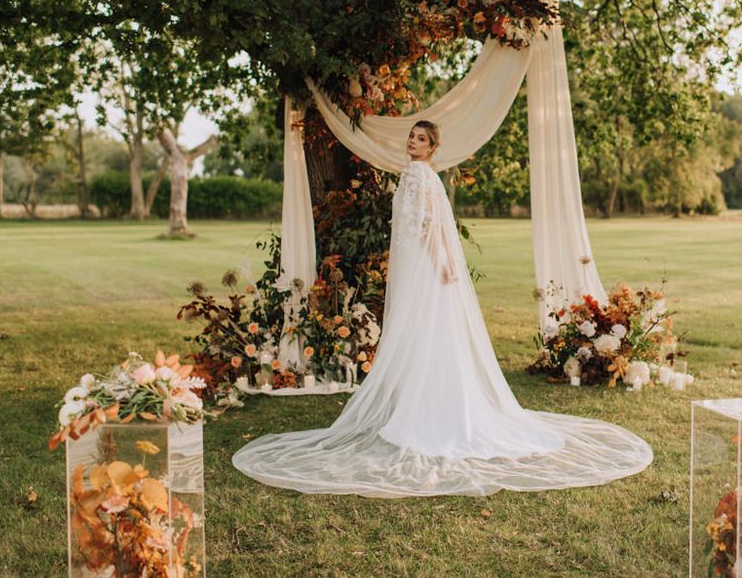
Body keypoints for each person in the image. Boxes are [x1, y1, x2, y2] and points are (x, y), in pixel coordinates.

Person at [233, 121, 652, 497]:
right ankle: (416, 401)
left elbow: (431, 227)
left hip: (426, 266)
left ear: (431, 146)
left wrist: (444, 265)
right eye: (411, 137)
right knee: (421, 332)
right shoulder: (417, 175)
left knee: (425, 329)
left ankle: (427, 408)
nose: (412, 143)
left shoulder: (420, 176)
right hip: (417, 263)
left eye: (420, 139)